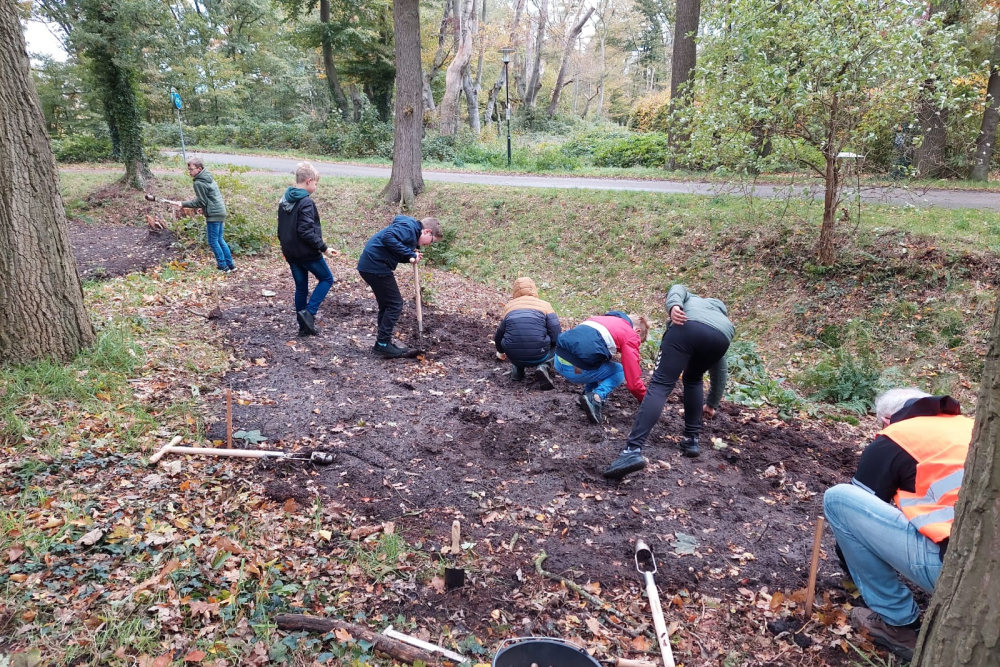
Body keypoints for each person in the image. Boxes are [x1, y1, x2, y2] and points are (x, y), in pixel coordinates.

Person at [823, 389, 972, 662]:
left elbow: (855, 519)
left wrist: (852, 569)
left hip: (960, 572)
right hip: (988, 571)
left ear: (886, 421)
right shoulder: (972, 426)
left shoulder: (894, 438)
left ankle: (898, 624)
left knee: (838, 500)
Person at [603, 284, 733, 479]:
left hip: (686, 328)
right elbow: (720, 370)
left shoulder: (692, 299)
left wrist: (673, 306)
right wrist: (712, 403)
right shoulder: (721, 319)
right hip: (722, 338)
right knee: (694, 378)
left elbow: (678, 287)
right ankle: (692, 439)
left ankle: (632, 450)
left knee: (661, 384)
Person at [357, 215, 443, 358]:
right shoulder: (409, 228)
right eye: (431, 241)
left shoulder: (409, 230)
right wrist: (409, 253)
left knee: (387, 305)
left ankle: (383, 343)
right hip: (376, 265)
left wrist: (409, 257)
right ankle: (383, 344)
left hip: (371, 264)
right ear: (427, 231)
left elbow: (393, 249)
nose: (429, 244)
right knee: (394, 304)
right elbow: (388, 238)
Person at [553, 311, 648, 424]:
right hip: (575, 371)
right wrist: (646, 399)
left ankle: (587, 395)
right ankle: (596, 397)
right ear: (637, 331)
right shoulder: (630, 335)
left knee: (600, 361)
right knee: (620, 370)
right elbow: (633, 381)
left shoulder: (599, 319)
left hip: (558, 361)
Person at [277, 162, 336, 336]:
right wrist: (323, 248)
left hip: (291, 252)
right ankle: (309, 314)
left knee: (301, 287)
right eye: (316, 183)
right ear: (309, 181)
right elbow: (306, 231)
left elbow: (280, 228)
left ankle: (304, 327)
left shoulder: (284, 199)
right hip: (307, 253)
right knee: (327, 279)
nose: (316, 187)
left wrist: (285, 247)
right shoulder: (306, 202)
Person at [494, 277, 561, 389]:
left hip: (514, 356)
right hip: (540, 354)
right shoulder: (545, 305)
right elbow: (556, 335)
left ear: (514, 291)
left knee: (516, 339)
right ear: (534, 289)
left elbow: (499, 335)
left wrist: (501, 351)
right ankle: (544, 366)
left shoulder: (509, 307)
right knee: (558, 344)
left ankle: (517, 371)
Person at [179, 157, 234, 273]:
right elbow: (207, 199)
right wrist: (203, 207)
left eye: (191, 170)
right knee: (219, 239)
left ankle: (223, 267)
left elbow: (201, 201)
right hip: (220, 211)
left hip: (214, 214)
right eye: (188, 170)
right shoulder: (208, 177)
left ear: (199, 169)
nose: (190, 172)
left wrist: (183, 204)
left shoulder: (198, 182)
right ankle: (231, 265)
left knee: (213, 241)